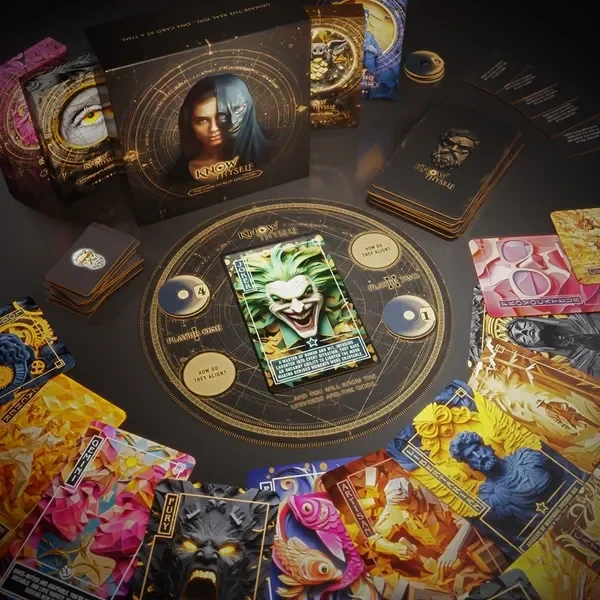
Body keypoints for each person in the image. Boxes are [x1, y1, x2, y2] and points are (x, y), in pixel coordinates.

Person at [449, 432, 566, 536]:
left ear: (488, 447)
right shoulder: (489, 499)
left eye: (477, 448)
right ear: (471, 466)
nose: (478, 456)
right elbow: (517, 534)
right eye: (470, 456)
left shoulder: (527, 457)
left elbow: (564, 473)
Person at [167, 74, 269, 184]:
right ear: (189, 124)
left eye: (221, 117)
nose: (213, 128)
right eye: (202, 120)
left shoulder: (269, 157)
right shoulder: (177, 178)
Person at [505, 314, 600, 379]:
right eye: (521, 337)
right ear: (530, 347)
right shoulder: (584, 368)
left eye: (522, 325)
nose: (524, 332)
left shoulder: (583, 317)